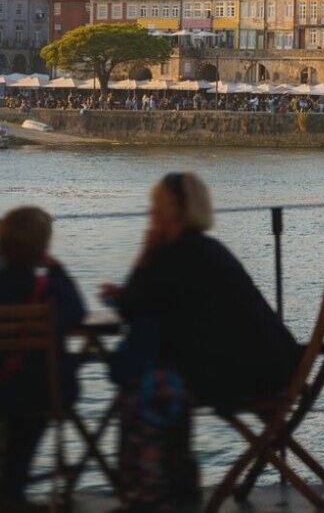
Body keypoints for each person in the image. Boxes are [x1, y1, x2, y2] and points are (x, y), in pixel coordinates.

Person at [104, 173, 299, 512]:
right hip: (278, 365)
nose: (150, 216)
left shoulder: (175, 255)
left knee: (144, 391)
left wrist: (144, 253)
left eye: (155, 209)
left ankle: (149, 494)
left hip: (250, 376)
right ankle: (177, 486)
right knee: (166, 382)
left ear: (172, 213)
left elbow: (133, 308)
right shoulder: (207, 250)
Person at [0, 207, 86, 507]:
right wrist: (56, 269)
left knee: (14, 400)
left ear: (0, 246)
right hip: (43, 395)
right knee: (30, 402)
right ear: (43, 248)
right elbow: (76, 312)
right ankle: (11, 488)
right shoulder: (51, 292)